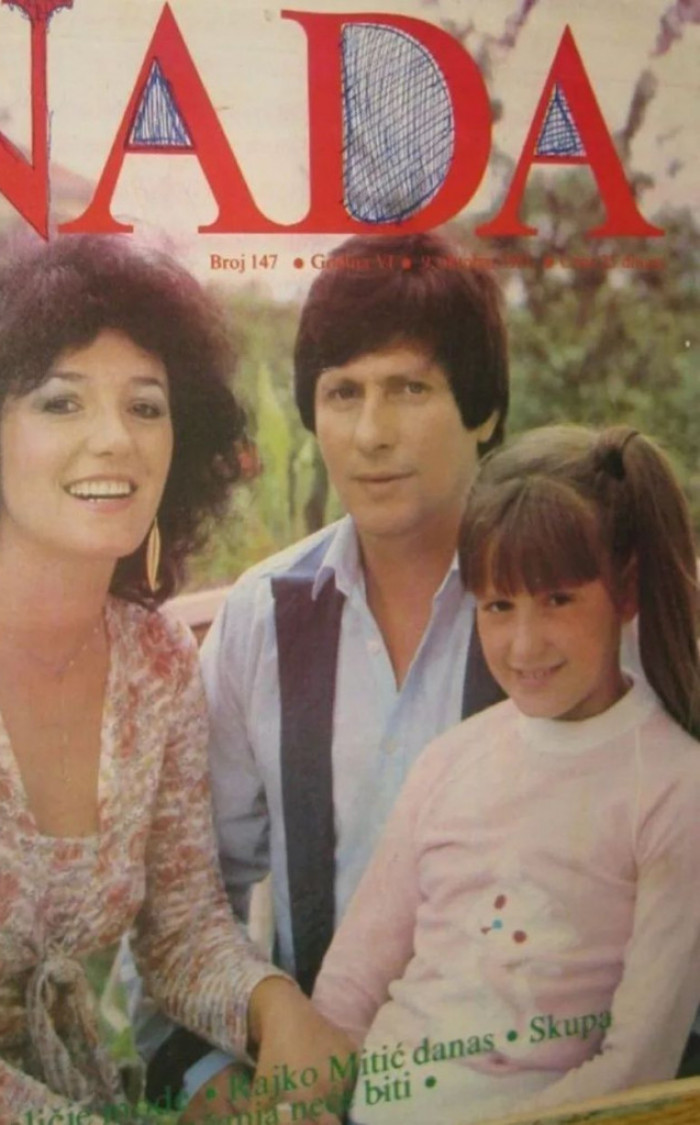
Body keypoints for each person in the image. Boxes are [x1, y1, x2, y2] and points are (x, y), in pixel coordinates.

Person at [0, 235, 351, 1125]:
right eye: (61, 402)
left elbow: (180, 933)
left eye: (145, 406)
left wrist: (271, 1004)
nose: (115, 439)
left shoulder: (157, 660)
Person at [161, 232, 510, 1113]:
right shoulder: (260, 618)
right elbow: (185, 895)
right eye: (343, 392)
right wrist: (214, 1083)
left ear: (484, 410)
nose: (370, 433)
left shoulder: (575, 612)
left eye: (410, 388)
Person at [313, 424, 700, 1125]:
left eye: (558, 600)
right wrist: (309, 1099)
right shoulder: (450, 759)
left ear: (626, 589)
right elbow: (350, 986)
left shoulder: (675, 787)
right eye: (498, 606)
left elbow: (637, 1065)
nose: (524, 645)